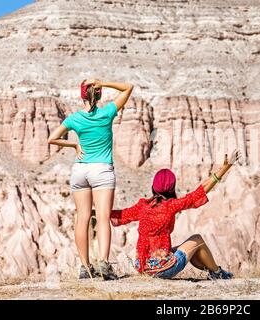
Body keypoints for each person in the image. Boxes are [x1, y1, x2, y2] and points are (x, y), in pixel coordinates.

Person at [48, 79, 134, 280]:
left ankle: (85, 268)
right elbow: (128, 87)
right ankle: (103, 264)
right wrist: (103, 82)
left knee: (82, 218)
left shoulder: (75, 118)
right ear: (99, 94)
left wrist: (74, 146)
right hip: (101, 170)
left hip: (80, 170)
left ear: (82, 96)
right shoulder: (107, 112)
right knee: (103, 218)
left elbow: (52, 138)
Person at [110, 150, 242, 280]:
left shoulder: (142, 206)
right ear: (172, 188)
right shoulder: (171, 206)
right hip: (161, 269)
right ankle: (218, 273)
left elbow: (120, 216)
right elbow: (199, 192)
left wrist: (98, 206)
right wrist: (224, 170)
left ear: (153, 187)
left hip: (141, 266)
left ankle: (213, 272)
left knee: (188, 248)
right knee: (197, 239)